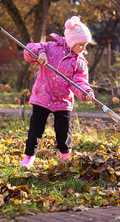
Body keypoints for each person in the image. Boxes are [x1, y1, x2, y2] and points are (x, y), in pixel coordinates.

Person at [20, 16, 95, 169]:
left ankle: (64, 158)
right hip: (43, 96)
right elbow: (29, 49)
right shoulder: (50, 47)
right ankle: (29, 157)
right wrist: (40, 53)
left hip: (63, 100)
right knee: (36, 129)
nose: (82, 49)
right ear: (72, 41)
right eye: (80, 45)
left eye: (85, 45)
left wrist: (85, 91)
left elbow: (79, 82)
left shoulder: (79, 62)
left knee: (64, 131)